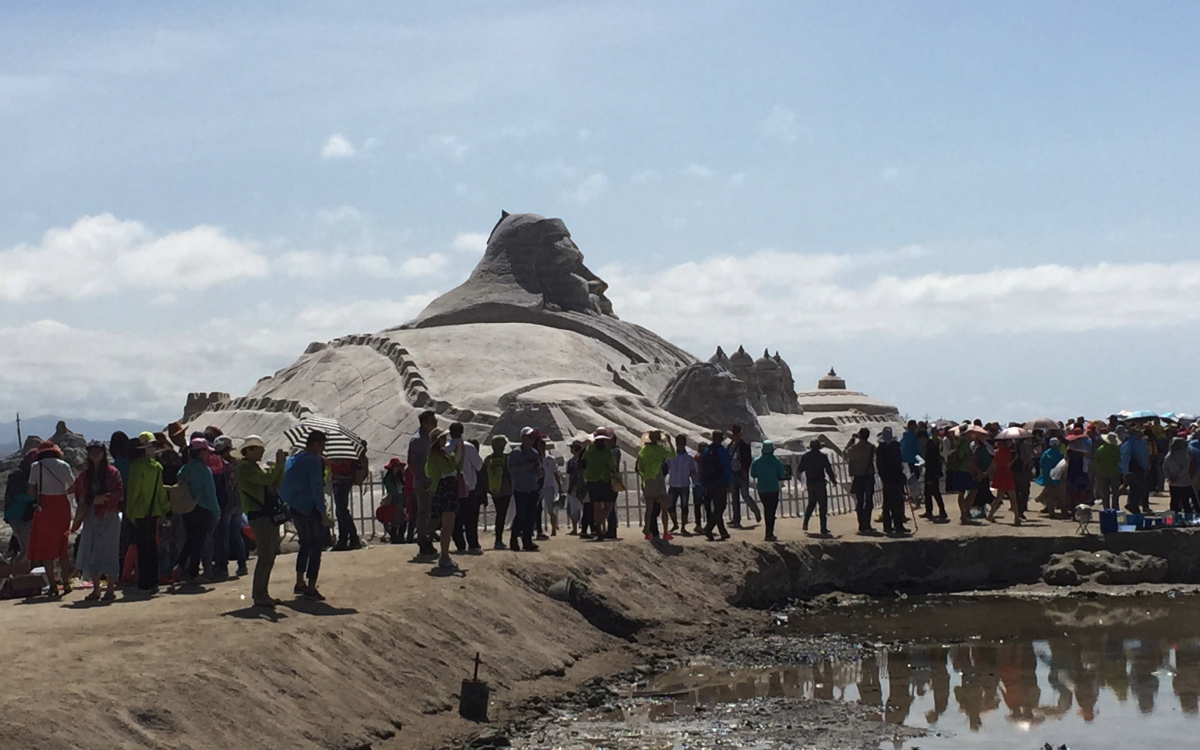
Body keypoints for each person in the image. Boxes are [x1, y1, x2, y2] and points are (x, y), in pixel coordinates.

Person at [235, 436, 287, 608]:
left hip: (265, 514)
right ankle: (259, 595)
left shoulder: (253, 467)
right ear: (249, 450)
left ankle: (263, 593)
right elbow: (265, 480)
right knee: (265, 555)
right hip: (259, 515)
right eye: (259, 448)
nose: (262, 451)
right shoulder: (245, 468)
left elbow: (274, 482)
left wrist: (280, 467)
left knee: (270, 555)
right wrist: (278, 465)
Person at [70, 441, 123, 601]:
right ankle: (96, 589)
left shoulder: (113, 472)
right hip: (91, 515)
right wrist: (93, 499)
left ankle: (111, 590)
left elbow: (119, 491)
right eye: (92, 451)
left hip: (109, 515)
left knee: (110, 551)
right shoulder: (85, 475)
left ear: (103, 453)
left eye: (98, 451)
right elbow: (79, 493)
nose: (95, 454)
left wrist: (104, 499)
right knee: (91, 550)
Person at [281, 430, 331, 600]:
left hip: (295, 507)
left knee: (304, 544)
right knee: (316, 547)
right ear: (317, 444)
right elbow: (316, 488)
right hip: (310, 509)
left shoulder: (295, 458)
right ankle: (311, 586)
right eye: (322, 445)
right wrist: (323, 513)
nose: (322, 449)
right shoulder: (313, 461)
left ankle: (300, 581)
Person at [26, 440, 76, 598]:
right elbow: (73, 485)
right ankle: (66, 582)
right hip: (62, 505)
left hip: (45, 506)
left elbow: (30, 490)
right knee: (63, 546)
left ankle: (53, 585)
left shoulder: (36, 467)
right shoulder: (64, 465)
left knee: (46, 546)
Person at [126, 435, 169, 594]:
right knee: (152, 547)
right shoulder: (157, 467)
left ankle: (144, 583)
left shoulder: (137, 466)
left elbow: (133, 492)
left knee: (143, 548)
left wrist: (130, 512)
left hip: (139, 512)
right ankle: (153, 581)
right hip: (154, 511)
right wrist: (163, 509)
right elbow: (160, 492)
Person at [174, 437, 220, 583]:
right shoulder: (205, 471)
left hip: (186, 508)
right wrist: (217, 512)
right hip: (202, 509)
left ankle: (181, 565)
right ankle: (193, 573)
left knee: (191, 539)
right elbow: (211, 494)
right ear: (202, 452)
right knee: (198, 542)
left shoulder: (184, 469)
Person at [424, 427, 463, 570]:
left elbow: (456, 468)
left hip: (446, 489)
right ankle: (444, 556)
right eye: (442, 438)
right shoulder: (436, 456)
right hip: (445, 489)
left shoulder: (439, 454)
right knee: (447, 526)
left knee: (448, 525)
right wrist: (455, 454)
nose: (445, 440)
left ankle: (444, 554)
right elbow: (448, 469)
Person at [210, 436, 247, 578]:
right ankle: (242, 564)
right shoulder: (238, 463)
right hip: (239, 501)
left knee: (223, 535)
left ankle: (223, 567)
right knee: (237, 534)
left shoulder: (222, 465)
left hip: (227, 502)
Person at [448, 423, 485, 553]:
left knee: (455, 519)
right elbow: (479, 465)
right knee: (471, 518)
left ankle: (460, 545)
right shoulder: (469, 448)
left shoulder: (446, 448)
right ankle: (473, 544)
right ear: (462, 432)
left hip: (452, 489)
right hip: (469, 489)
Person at [407, 410, 438, 558]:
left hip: (433, 480)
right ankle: (423, 541)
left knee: (433, 512)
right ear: (424, 423)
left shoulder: (432, 438)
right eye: (432, 422)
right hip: (423, 481)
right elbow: (411, 462)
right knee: (423, 512)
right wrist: (419, 478)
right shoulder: (417, 440)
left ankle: (428, 537)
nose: (435, 424)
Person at [508, 427, 544, 551]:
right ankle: (513, 540)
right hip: (521, 489)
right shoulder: (516, 453)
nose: (533, 439)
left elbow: (539, 469)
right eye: (531, 437)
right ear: (524, 438)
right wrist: (525, 467)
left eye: (533, 437)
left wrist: (539, 471)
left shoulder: (535, 453)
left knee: (530, 516)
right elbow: (511, 469)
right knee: (520, 515)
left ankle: (527, 541)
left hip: (533, 488)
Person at [636, 430, 674, 541]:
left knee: (649, 508)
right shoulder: (660, 450)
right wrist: (669, 442)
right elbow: (673, 454)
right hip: (658, 478)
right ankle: (665, 532)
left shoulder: (643, 451)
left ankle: (647, 531)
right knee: (663, 506)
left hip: (648, 480)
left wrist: (646, 476)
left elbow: (639, 468)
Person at [581, 430, 619, 540]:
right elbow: (612, 465)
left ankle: (597, 527)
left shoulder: (589, 449)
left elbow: (584, 462)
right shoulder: (606, 450)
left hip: (591, 480)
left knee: (596, 506)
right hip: (604, 480)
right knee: (609, 505)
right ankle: (598, 524)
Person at [796, 438, 836, 536]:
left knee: (811, 504)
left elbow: (800, 469)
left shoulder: (806, 457)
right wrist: (833, 480)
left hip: (810, 483)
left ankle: (805, 523)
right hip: (820, 482)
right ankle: (823, 528)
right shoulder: (822, 457)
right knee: (823, 506)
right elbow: (828, 469)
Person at [3, 449, 37, 562]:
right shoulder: (18, 475)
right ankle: (14, 574)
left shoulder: (25, 473)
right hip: (18, 515)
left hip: (24, 515)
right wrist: (37, 494)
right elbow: (19, 496)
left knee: (26, 548)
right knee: (26, 550)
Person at [753, 439, 791, 541]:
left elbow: (753, 474)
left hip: (762, 489)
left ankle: (768, 532)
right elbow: (782, 474)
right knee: (771, 510)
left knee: (766, 509)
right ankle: (770, 532)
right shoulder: (776, 461)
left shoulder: (757, 461)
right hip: (773, 488)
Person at [727, 425, 761, 528]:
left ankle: (755, 510)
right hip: (733, 473)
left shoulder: (744, 446)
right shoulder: (730, 446)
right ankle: (736, 519)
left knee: (745, 494)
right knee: (734, 497)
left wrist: (745, 469)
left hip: (742, 473)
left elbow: (748, 459)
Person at [875, 428, 909, 535]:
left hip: (891, 478)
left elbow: (881, 465)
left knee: (892, 502)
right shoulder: (890, 448)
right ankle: (894, 525)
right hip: (892, 478)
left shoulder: (883, 448)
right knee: (893, 502)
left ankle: (892, 525)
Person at [327, 452, 363, 552]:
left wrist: (327, 461)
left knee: (341, 510)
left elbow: (339, 462)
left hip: (341, 479)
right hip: (343, 479)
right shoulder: (345, 446)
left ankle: (351, 538)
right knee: (340, 510)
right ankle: (346, 539)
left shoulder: (340, 449)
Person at [701, 431, 732, 541]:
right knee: (720, 506)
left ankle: (723, 532)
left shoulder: (706, 450)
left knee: (716, 507)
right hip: (720, 482)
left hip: (709, 482)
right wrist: (729, 483)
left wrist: (703, 484)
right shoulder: (722, 451)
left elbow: (703, 468)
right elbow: (726, 467)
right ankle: (708, 528)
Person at [483, 436, 513, 549]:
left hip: (494, 490)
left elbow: (484, 476)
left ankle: (498, 539)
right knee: (501, 514)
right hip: (505, 490)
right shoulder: (506, 458)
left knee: (498, 514)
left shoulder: (488, 459)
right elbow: (510, 474)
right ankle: (498, 540)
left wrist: (489, 490)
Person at [845, 428, 876, 534]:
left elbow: (845, 454)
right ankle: (867, 523)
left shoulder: (854, 448)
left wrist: (851, 441)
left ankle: (861, 524)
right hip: (868, 476)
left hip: (858, 476)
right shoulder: (871, 447)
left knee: (860, 501)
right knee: (869, 501)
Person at [665, 435, 698, 535]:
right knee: (670, 506)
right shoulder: (671, 456)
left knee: (684, 506)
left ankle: (683, 527)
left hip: (684, 484)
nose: (680, 445)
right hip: (673, 483)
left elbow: (692, 471)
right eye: (678, 443)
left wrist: (696, 483)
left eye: (682, 443)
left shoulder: (689, 457)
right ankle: (675, 524)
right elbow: (666, 467)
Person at [1121, 426, 1152, 514]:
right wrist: (1145, 467)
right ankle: (1133, 505)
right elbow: (1142, 456)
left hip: (1130, 470)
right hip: (1138, 469)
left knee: (1133, 488)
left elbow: (1124, 458)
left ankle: (1131, 504)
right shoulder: (1138, 442)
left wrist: (1125, 471)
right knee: (1140, 489)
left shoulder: (1126, 443)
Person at [988, 438, 1019, 525]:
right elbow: (1008, 464)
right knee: (1013, 497)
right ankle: (1016, 518)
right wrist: (1014, 459)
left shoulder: (998, 451)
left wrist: (987, 472)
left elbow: (994, 463)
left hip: (1000, 473)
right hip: (1007, 474)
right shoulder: (1008, 452)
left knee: (999, 497)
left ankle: (990, 514)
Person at [1163, 438, 1198, 514]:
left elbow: (1164, 467)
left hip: (1172, 482)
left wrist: (1169, 476)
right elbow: (1185, 467)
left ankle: (1173, 516)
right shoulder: (1184, 454)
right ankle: (1188, 516)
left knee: (1174, 500)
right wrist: (1178, 476)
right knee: (1186, 500)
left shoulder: (1168, 455)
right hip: (1184, 481)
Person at [919, 430, 948, 521]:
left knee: (935, 493)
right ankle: (929, 511)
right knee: (928, 493)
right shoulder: (930, 445)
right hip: (931, 472)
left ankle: (942, 511)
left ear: (923, 438)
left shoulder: (931, 447)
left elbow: (933, 462)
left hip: (932, 473)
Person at [380, 458, 410, 544]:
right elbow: (391, 488)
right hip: (394, 499)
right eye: (396, 466)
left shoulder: (400, 477)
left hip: (402, 499)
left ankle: (400, 536)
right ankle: (394, 536)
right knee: (395, 519)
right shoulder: (389, 478)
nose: (398, 468)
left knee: (403, 518)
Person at [1035, 437, 1066, 517]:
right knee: (1061, 494)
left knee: (1050, 495)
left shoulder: (1046, 453)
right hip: (1058, 476)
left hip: (1048, 476)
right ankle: (1063, 511)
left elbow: (1041, 464)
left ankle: (1051, 511)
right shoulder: (1060, 454)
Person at [1093, 431, 1123, 510]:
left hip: (1102, 471)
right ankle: (1115, 507)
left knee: (1105, 491)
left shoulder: (1100, 448)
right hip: (1114, 471)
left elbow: (1097, 460)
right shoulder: (1115, 449)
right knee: (1115, 491)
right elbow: (1119, 460)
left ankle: (1106, 507)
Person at [538, 440, 562, 538]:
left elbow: (555, 473)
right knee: (536, 509)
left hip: (549, 486)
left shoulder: (550, 459)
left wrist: (559, 486)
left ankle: (553, 528)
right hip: (538, 486)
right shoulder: (536, 458)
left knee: (550, 509)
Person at [564, 441, 587, 535]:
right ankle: (574, 529)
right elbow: (569, 475)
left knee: (583, 508)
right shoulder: (570, 462)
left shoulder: (584, 461)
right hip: (573, 487)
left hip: (582, 487)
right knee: (573, 509)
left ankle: (583, 528)